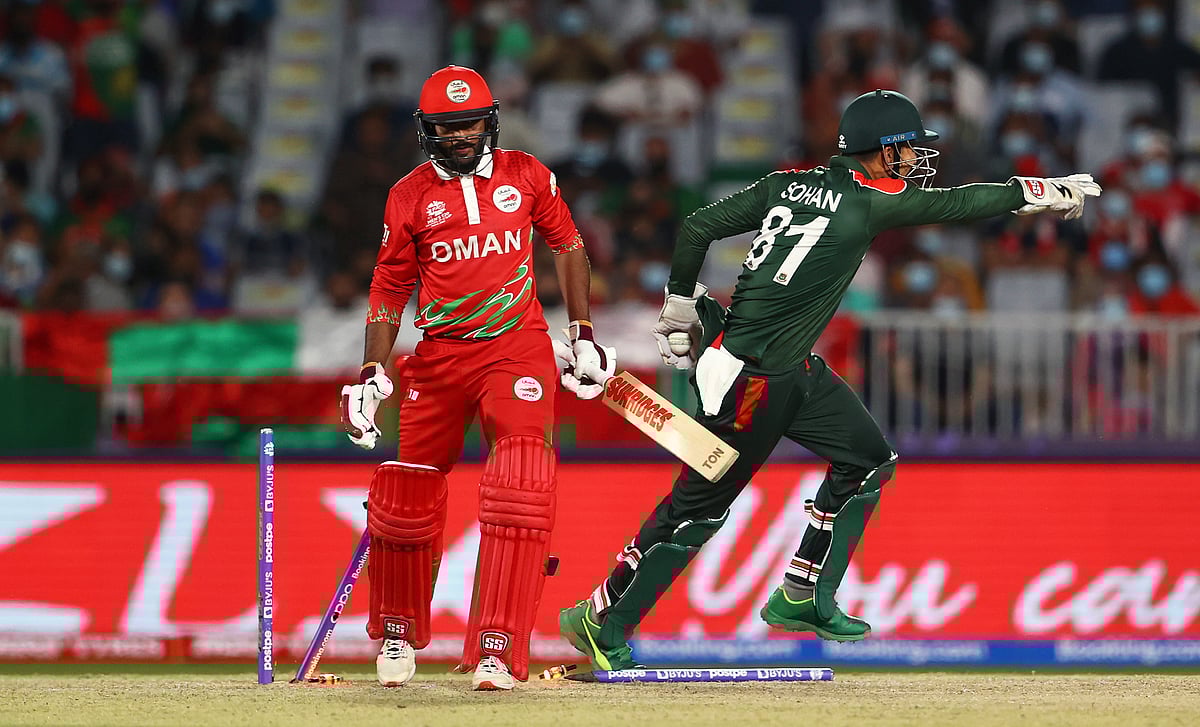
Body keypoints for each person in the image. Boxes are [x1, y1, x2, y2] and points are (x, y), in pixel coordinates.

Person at [558, 89, 1100, 670]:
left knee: (867, 459)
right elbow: (962, 203)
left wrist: (678, 305)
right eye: (908, 149)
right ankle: (599, 618)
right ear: (883, 150)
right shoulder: (870, 200)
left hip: (786, 365)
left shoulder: (785, 184)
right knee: (699, 507)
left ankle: (802, 592)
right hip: (751, 378)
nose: (915, 159)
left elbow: (696, 228)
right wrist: (1039, 191)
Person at [338, 65, 615, 690]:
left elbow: (568, 244)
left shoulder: (526, 174)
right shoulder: (408, 195)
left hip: (515, 348)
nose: (460, 136)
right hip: (438, 355)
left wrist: (582, 332)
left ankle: (498, 645)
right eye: (447, 127)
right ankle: (398, 632)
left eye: (469, 124)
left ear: (489, 122)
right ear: (427, 131)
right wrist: (372, 371)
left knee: (521, 482)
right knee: (406, 495)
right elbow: (389, 285)